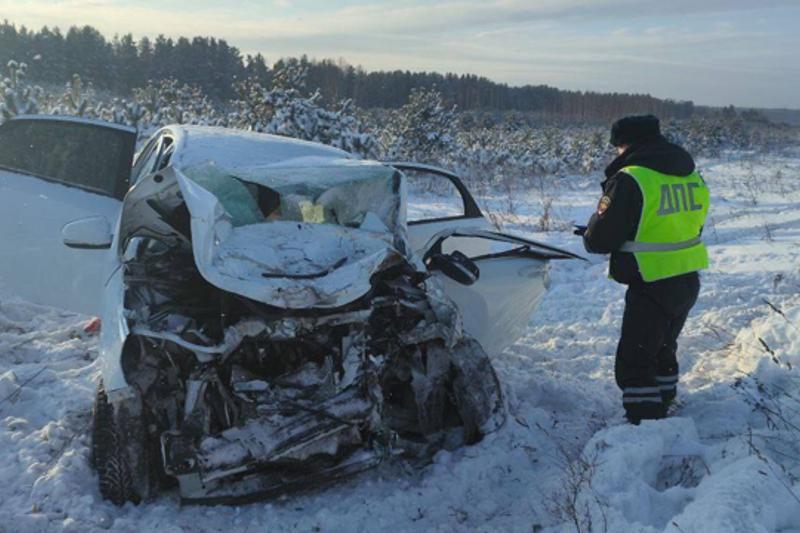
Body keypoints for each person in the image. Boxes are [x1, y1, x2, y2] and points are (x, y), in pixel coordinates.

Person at [580, 115, 709, 424]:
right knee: (663, 348)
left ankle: (644, 424)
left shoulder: (631, 178)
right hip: (687, 276)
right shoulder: (689, 173)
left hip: (651, 279)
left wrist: (591, 233)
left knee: (636, 360)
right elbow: (686, 223)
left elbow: (600, 240)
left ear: (625, 144)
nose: (616, 153)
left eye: (617, 146)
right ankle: (665, 402)